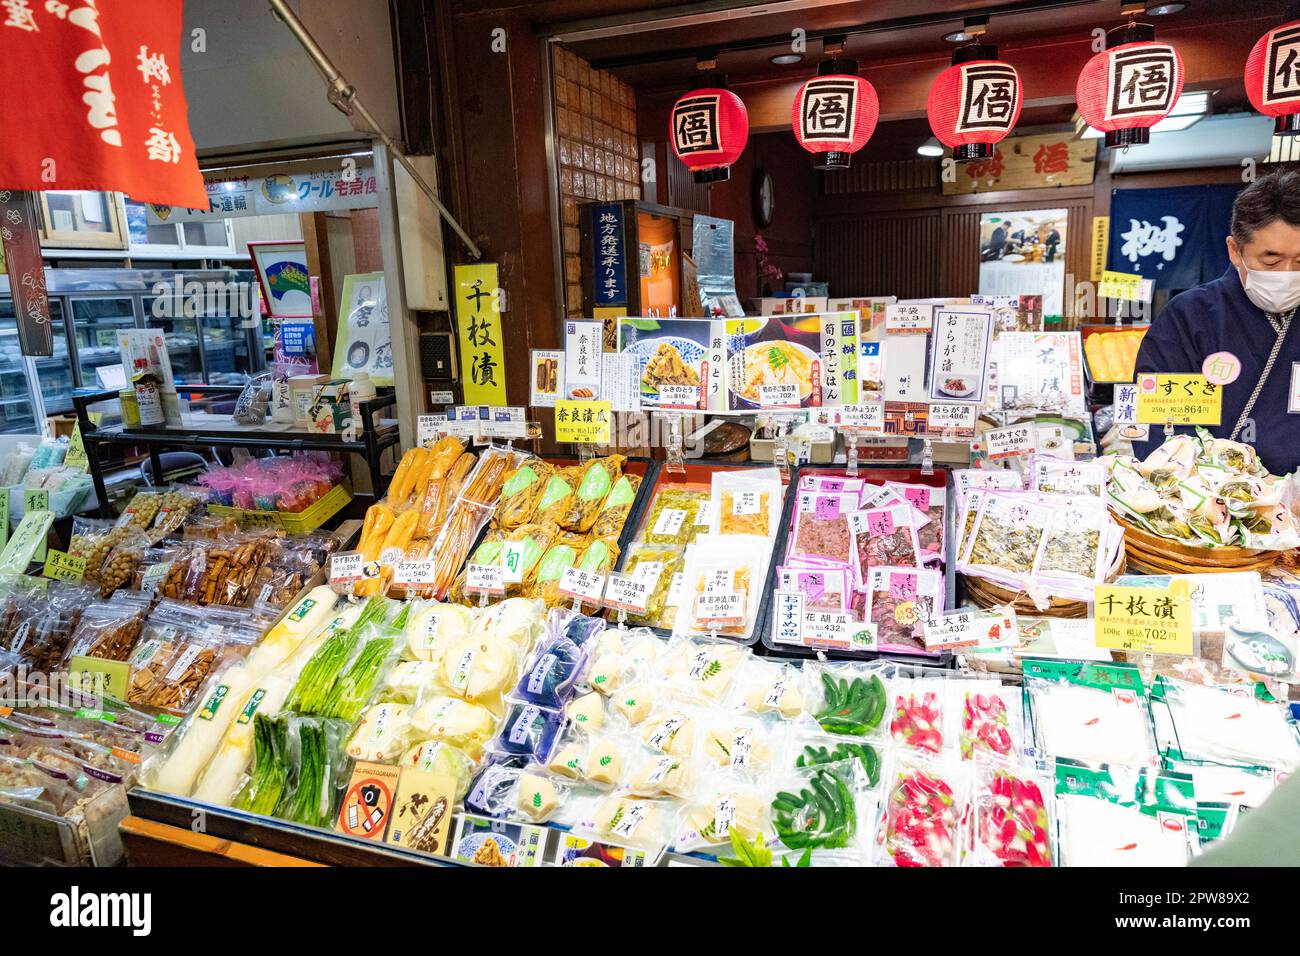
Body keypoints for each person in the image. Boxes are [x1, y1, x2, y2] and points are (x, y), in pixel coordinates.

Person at [1133, 169, 1300, 474]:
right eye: (1271, 260)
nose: (1287, 273)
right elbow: (1158, 420)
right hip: (1208, 499)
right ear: (1235, 251)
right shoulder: (1190, 315)